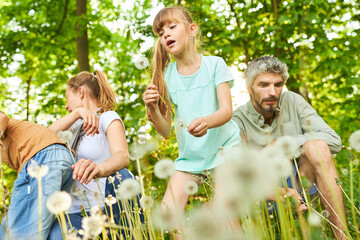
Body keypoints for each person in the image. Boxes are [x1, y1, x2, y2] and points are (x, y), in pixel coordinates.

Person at [143, 6, 240, 238]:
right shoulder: (166, 76)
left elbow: (227, 111)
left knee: (225, 214)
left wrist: (206, 121)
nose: (166, 34)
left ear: (192, 29)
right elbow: (165, 131)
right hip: (191, 156)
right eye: (160, 33)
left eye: (172, 27)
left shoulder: (215, 64)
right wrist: (152, 108)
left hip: (224, 148)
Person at [232, 56, 347, 239]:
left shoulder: (292, 101)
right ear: (249, 87)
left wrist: (285, 144)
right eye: (264, 85)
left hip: (304, 187)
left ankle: (342, 236)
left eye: (278, 84)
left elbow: (334, 140)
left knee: (317, 146)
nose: (273, 92)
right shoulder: (237, 120)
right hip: (263, 198)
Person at [47, 70, 139, 239]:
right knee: (55, 235)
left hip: (107, 207)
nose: (66, 106)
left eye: (67, 98)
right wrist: (75, 114)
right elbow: (42, 138)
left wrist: (99, 169)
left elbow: (122, 156)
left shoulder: (108, 118)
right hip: (74, 213)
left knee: (124, 176)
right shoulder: (72, 128)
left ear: (81, 92)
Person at [0, 111, 74, 240]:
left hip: (42, 159)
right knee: (10, 226)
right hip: (64, 159)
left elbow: (2, 117)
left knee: (22, 235)